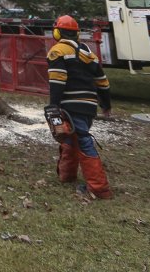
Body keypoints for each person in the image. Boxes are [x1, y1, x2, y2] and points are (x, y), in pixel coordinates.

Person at [47, 14, 114, 199]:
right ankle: (66, 175)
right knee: (71, 138)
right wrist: (106, 105)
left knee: (82, 138)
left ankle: (99, 188)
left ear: (57, 32)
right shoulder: (89, 54)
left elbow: (57, 80)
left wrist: (53, 105)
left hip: (70, 104)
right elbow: (103, 82)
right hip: (89, 106)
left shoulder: (57, 51)